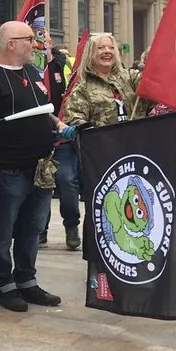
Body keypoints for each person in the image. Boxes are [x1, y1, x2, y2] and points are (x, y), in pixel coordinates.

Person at [0, 21, 70, 313]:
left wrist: (59, 124)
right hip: (8, 168)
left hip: (39, 165)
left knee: (32, 227)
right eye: (29, 39)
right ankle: (4, 282)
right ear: (11, 43)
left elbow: (42, 109)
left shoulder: (33, 73)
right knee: (3, 229)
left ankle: (27, 279)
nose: (35, 44)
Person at [58, 33, 140, 250]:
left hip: (136, 155)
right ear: (91, 55)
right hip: (103, 159)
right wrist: (87, 129)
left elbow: (155, 87)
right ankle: (100, 260)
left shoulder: (130, 77)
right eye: (101, 48)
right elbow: (73, 119)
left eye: (110, 48)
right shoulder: (82, 87)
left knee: (134, 206)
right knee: (106, 209)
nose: (107, 52)